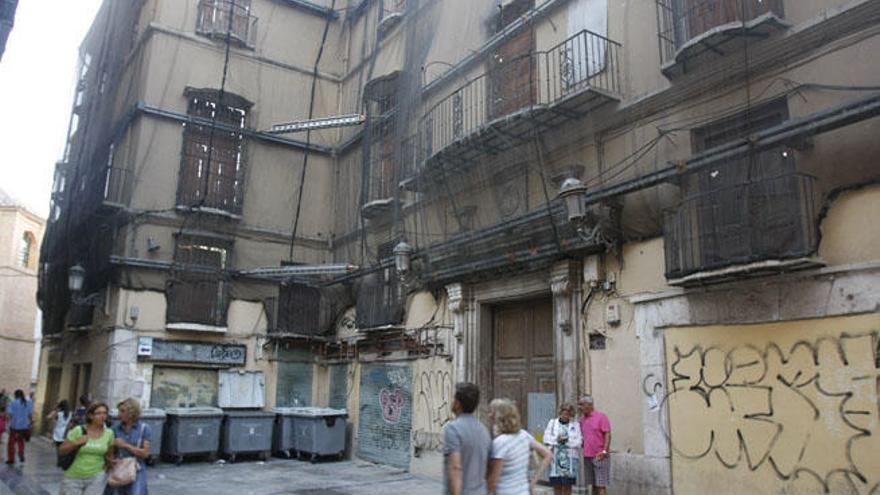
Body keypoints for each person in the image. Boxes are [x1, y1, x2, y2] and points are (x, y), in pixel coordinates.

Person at [486, 398, 552, 495]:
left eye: (491, 412)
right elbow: (548, 454)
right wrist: (533, 482)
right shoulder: (524, 435)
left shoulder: (500, 443)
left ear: (499, 417)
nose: (489, 415)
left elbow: (493, 480)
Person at [443, 382, 492, 495]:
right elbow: (489, 468)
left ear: (458, 403)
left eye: (454, 398)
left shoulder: (453, 429)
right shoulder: (484, 430)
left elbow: (455, 468)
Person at [58, 402, 115, 495]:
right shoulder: (78, 430)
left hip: (96, 477)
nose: (103, 416)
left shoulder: (109, 433)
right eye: (99, 413)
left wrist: (108, 466)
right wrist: (76, 443)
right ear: (91, 416)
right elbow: (61, 450)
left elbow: (109, 453)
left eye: (105, 413)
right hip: (73, 476)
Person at [106, 398, 151, 495]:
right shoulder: (115, 429)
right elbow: (110, 452)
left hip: (136, 469)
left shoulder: (144, 429)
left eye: (123, 411)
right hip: (119, 469)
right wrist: (111, 460)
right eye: (119, 411)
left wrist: (125, 445)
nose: (119, 414)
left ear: (132, 412)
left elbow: (145, 453)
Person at [543, 403, 582, 495]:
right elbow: (546, 438)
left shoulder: (575, 425)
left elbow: (579, 442)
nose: (565, 416)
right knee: (557, 485)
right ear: (560, 413)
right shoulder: (552, 423)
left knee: (568, 485)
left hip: (570, 460)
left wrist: (567, 441)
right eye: (564, 413)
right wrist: (557, 440)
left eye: (568, 414)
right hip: (556, 459)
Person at [577, 395, 611, 495]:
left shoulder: (601, 417)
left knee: (601, 484)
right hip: (587, 455)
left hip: (600, 455)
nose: (580, 407)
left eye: (582, 404)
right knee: (592, 484)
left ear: (589, 405)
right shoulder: (582, 420)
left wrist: (604, 451)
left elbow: (608, 434)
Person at [5, 389, 32, 465]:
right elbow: (30, 414)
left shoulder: (12, 403)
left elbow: (9, 415)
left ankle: (11, 459)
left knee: (11, 443)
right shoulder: (28, 402)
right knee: (21, 441)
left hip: (15, 426)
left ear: (15, 395)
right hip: (24, 426)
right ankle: (21, 453)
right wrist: (30, 423)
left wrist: (7, 424)